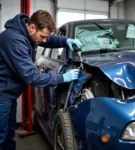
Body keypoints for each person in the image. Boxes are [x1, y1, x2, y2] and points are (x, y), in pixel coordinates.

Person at [0, 10, 81, 150]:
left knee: (8, 134)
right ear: (32, 28)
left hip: (9, 94)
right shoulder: (14, 40)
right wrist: (62, 77)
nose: (44, 40)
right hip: (2, 95)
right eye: (42, 36)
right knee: (1, 136)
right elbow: (31, 76)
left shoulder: (29, 33)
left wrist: (65, 41)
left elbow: (49, 39)